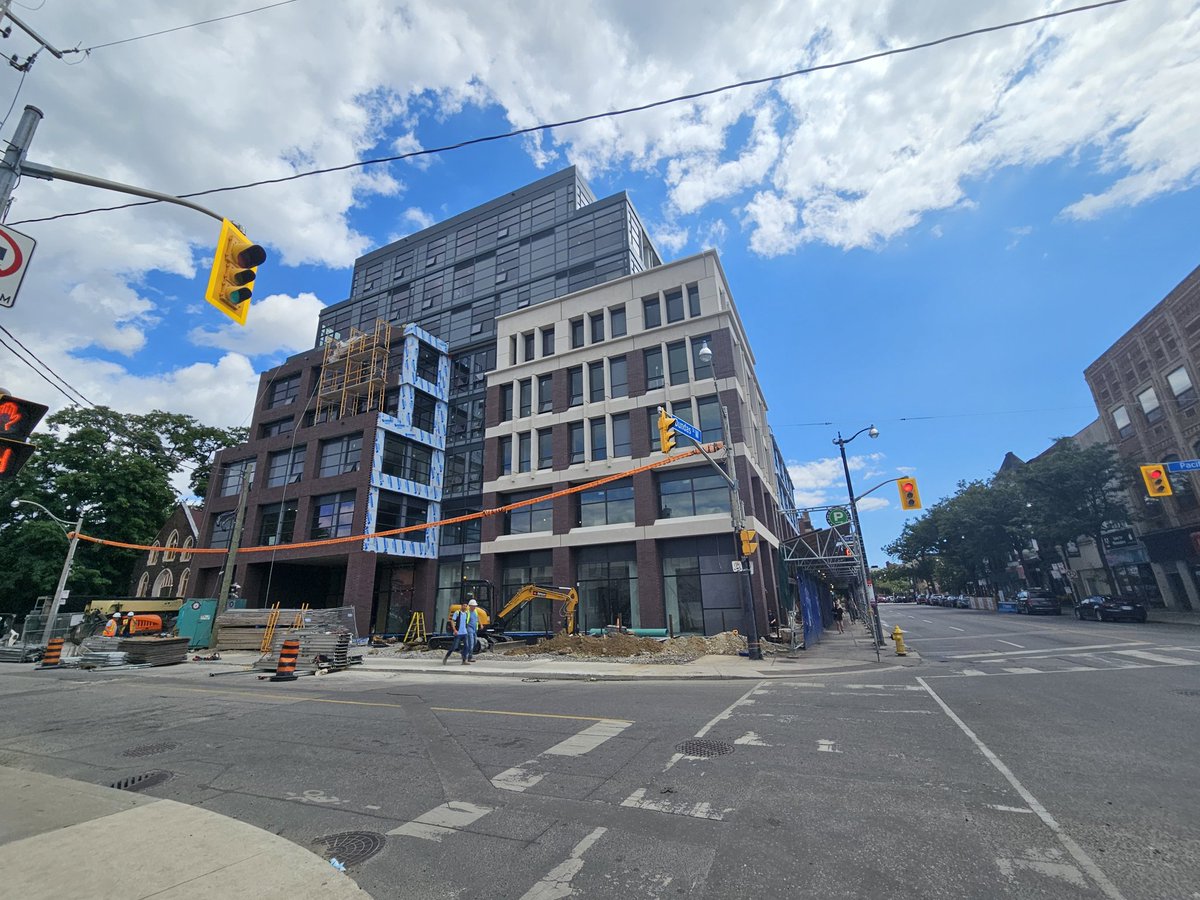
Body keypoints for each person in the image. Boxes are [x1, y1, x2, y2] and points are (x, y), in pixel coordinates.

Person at [443, 599, 480, 665]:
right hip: (458, 633)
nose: (465, 607)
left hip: (464, 633)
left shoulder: (466, 613)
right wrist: (454, 630)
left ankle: (464, 660)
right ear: (461, 606)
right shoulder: (457, 613)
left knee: (466, 646)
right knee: (454, 647)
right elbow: (452, 621)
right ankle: (446, 657)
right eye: (464, 606)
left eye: (466, 606)